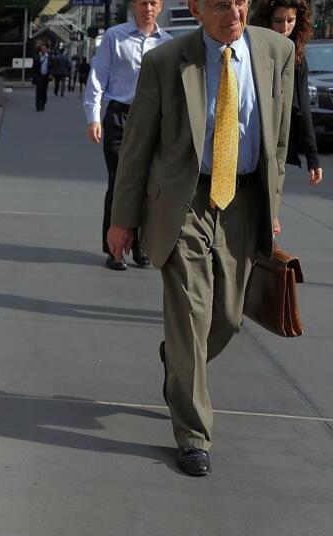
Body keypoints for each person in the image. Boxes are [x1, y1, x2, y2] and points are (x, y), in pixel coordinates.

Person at [109, 0, 296, 476]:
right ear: (194, 9)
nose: (232, 12)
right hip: (184, 200)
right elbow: (136, 147)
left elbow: (278, 137)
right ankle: (193, 434)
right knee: (191, 315)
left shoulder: (277, 50)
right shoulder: (167, 62)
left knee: (229, 317)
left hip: (244, 198)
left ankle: (176, 360)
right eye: (219, 5)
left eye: (239, 1)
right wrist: (122, 219)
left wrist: (272, 203)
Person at [84, 0, 172, 271]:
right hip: (119, 117)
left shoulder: (167, 43)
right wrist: (93, 117)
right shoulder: (115, 36)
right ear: (134, 6)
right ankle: (115, 250)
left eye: (153, 2)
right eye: (143, 2)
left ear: (160, 7)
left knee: (148, 183)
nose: (148, 7)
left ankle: (140, 246)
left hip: (152, 120)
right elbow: (97, 77)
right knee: (120, 180)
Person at [251, 0, 323, 185]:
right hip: (249, 141)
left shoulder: (298, 58)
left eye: (290, 20)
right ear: (267, 21)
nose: (284, 27)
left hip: (277, 146)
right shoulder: (250, 51)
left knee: (271, 205)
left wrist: (312, 158)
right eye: (278, 21)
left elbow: (303, 107)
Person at [33, 43, 52, 110]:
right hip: (39, 76)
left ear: (46, 49)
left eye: (44, 48)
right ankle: (38, 105)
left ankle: (43, 103)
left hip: (46, 76)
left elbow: (51, 67)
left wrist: (51, 74)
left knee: (44, 91)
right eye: (42, 49)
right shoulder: (37, 57)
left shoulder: (49, 57)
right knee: (38, 90)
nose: (43, 50)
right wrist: (34, 77)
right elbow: (34, 68)